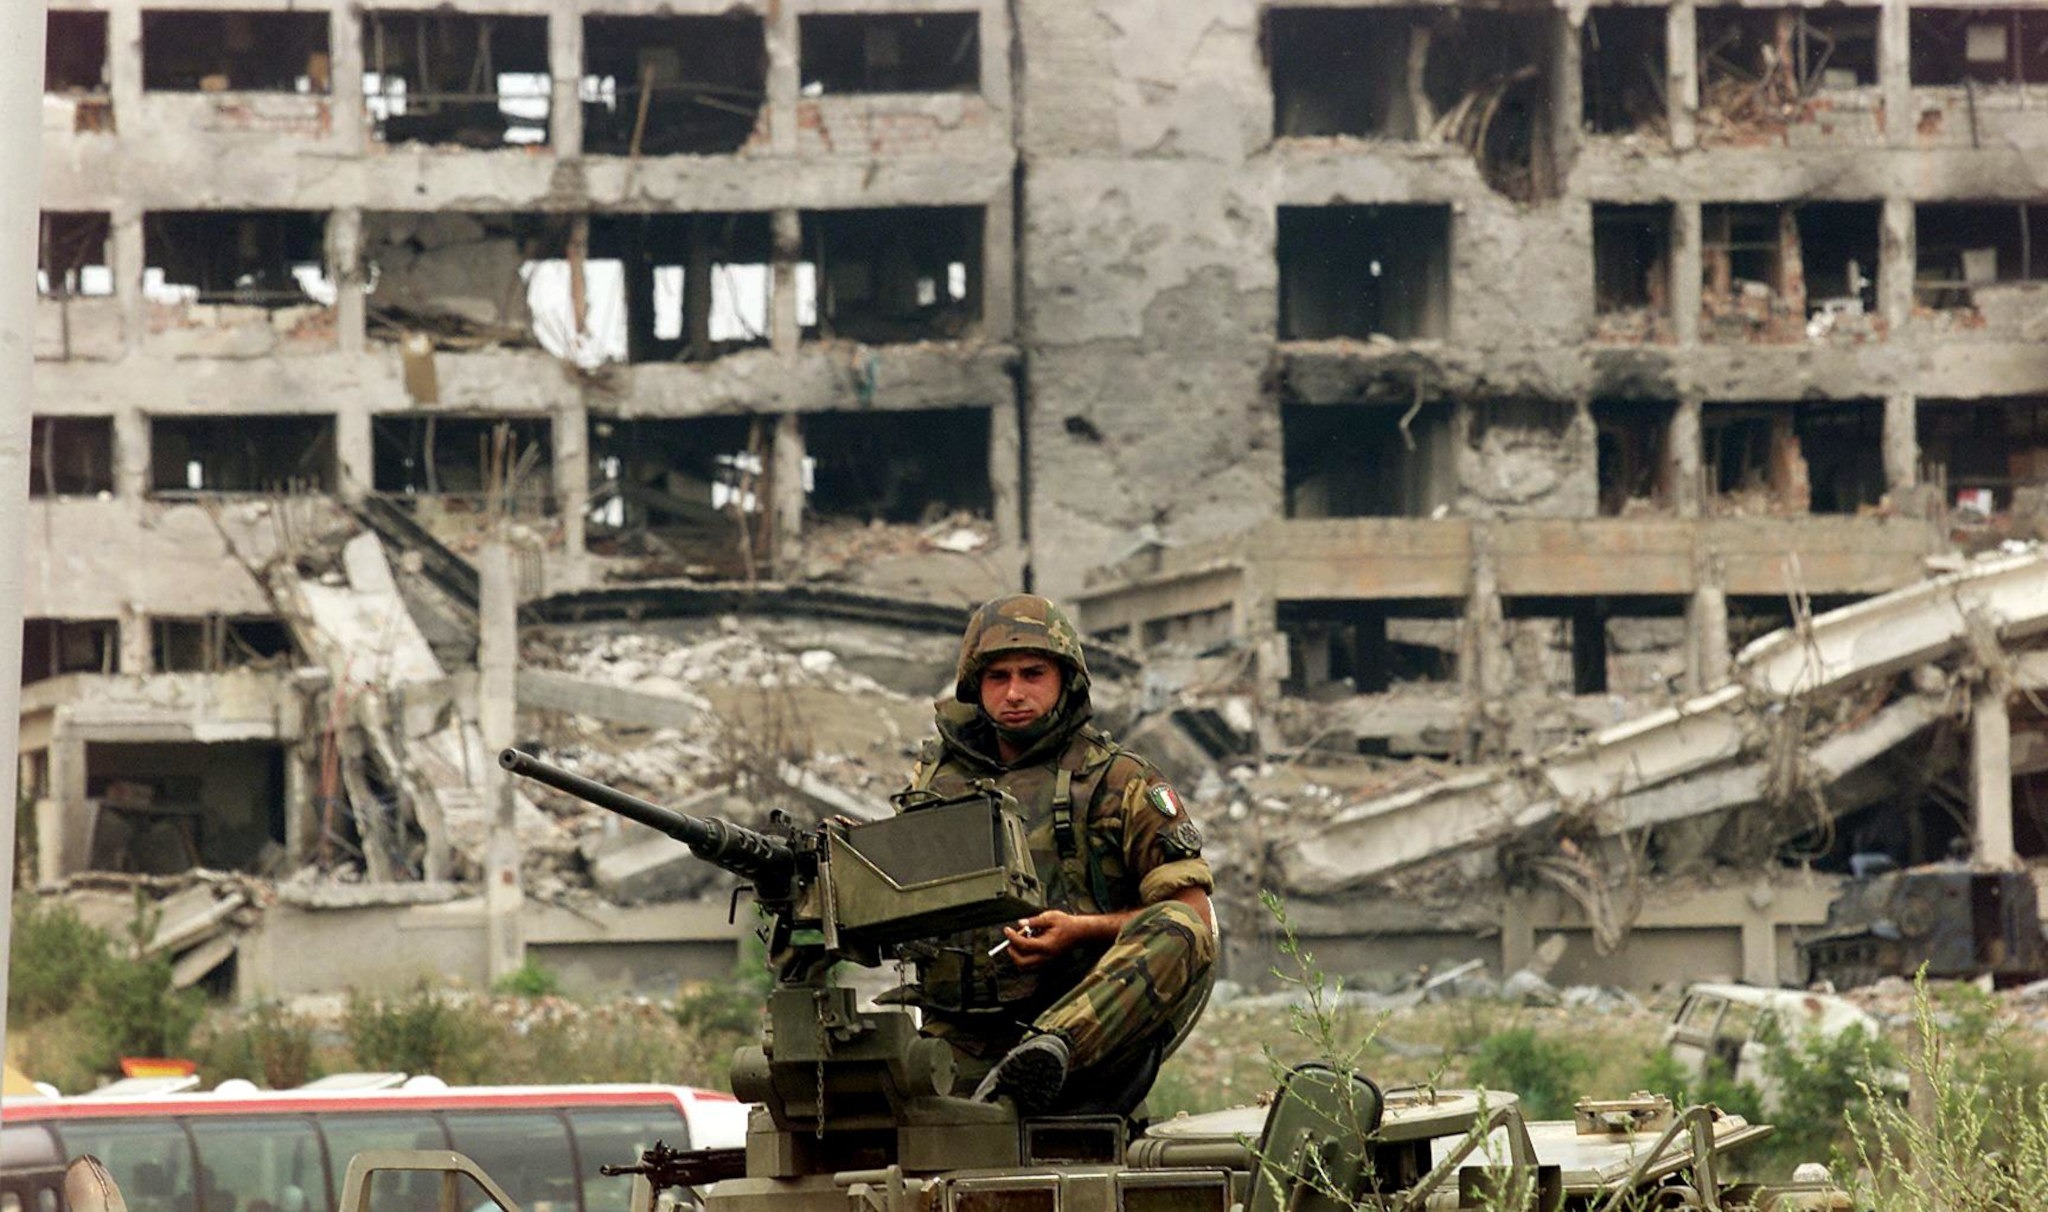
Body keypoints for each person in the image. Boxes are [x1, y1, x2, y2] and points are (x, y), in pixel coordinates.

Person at [892, 593, 1216, 1116]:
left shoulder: (1122, 782)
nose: (1015, 692)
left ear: (1066, 679)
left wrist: (1079, 931)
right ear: (976, 688)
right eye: (998, 678)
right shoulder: (935, 784)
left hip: (1086, 1039)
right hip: (958, 1039)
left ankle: (1048, 1051)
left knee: (1177, 924)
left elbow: (1196, 916)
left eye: (1032, 673)